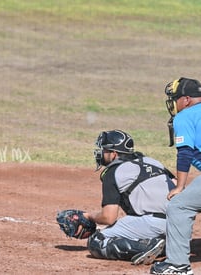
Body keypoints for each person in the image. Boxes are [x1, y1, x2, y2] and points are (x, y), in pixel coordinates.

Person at [84, 130, 176, 265]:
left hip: (152, 224)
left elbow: (108, 218)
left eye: (104, 150)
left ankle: (145, 246)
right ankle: (171, 245)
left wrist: (89, 217)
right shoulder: (153, 162)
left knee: (96, 241)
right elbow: (177, 186)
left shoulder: (112, 172)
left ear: (114, 154)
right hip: (179, 224)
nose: (101, 153)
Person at [150, 77, 201, 275]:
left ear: (186, 99)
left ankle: (178, 265)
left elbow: (185, 153)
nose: (173, 103)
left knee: (179, 205)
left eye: (175, 98)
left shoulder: (185, 117)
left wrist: (180, 187)